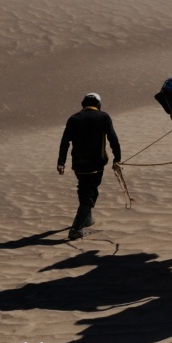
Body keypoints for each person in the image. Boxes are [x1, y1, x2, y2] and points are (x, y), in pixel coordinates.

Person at [57, 93, 122, 240]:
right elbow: (113, 138)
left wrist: (61, 162)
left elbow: (65, 141)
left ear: (83, 104)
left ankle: (86, 218)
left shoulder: (74, 118)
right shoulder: (103, 117)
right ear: (98, 105)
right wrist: (117, 158)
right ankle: (76, 229)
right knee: (90, 195)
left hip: (78, 165)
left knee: (84, 188)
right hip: (96, 164)